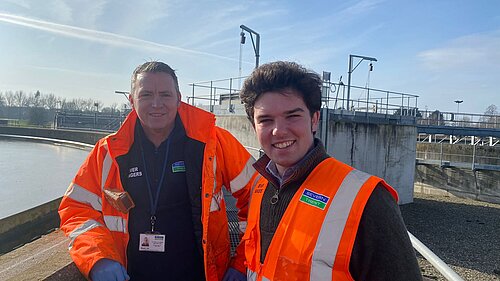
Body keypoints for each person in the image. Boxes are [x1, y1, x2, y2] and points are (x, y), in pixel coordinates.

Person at [59, 61, 256, 281]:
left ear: (179, 98)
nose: (156, 104)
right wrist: (97, 257)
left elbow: (259, 196)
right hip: (131, 274)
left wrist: (242, 262)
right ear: (131, 100)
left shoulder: (213, 143)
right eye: (146, 95)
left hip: (199, 274)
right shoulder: (108, 152)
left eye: (165, 94)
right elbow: (76, 209)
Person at [238, 61, 423, 280]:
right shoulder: (260, 185)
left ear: (314, 119)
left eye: (292, 116)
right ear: (254, 128)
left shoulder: (366, 199)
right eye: (266, 120)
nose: (278, 131)